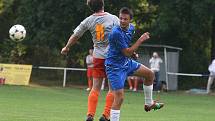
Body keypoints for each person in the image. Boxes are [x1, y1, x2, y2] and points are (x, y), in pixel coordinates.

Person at [61, 0, 119, 120]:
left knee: (95, 87)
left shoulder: (88, 20)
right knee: (113, 87)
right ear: (103, 4)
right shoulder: (113, 18)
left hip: (97, 57)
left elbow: (76, 35)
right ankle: (106, 115)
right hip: (112, 57)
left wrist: (67, 47)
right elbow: (123, 35)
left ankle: (90, 115)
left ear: (91, 8)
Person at [105, 7, 164, 121]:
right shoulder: (115, 32)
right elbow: (127, 52)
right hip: (115, 67)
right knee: (119, 98)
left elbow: (126, 48)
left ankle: (148, 104)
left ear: (130, 20)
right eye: (120, 18)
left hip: (126, 63)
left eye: (125, 19)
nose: (122, 21)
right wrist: (140, 40)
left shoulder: (131, 28)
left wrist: (133, 54)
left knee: (150, 74)